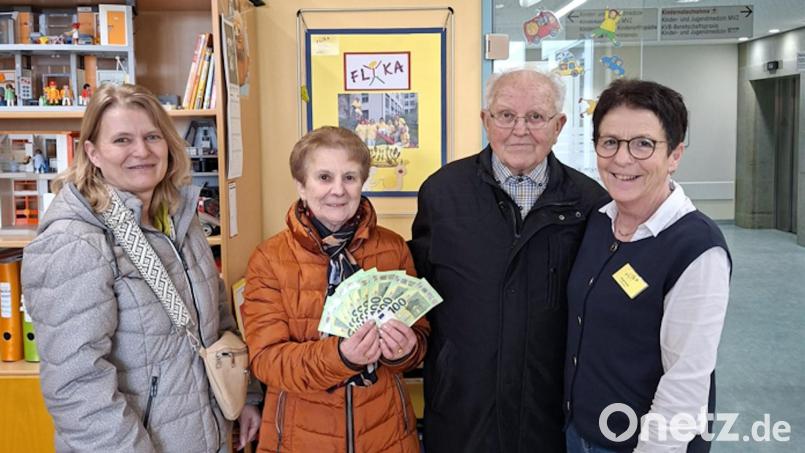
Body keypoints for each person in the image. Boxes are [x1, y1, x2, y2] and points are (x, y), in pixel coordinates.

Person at [21, 84, 261, 452]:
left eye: (152, 136)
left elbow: (217, 319)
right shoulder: (74, 243)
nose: (142, 151)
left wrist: (244, 395)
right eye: (121, 140)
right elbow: (76, 385)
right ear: (93, 152)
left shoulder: (178, 219)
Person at [409, 68, 606, 452]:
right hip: (462, 406)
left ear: (559, 125)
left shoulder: (590, 204)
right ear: (486, 121)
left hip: (550, 409)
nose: (520, 129)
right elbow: (422, 293)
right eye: (506, 115)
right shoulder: (441, 193)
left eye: (535, 117)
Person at [563, 79, 731, 452]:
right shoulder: (599, 221)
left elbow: (686, 381)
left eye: (643, 144)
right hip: (580, 432)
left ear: (674, 154)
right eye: (610, 142)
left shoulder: (696, 246)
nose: (622, 159)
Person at [241, 126, 429, 453]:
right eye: (324, 177)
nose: (338, 190)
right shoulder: (269, 258)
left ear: (363, 182)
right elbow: (266, 361)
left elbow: (420, 334)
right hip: (299, 437)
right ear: (301, 185)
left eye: (350, 177)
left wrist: (409, 349)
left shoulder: (393, 248)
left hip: (387, 434)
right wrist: (341, 357)